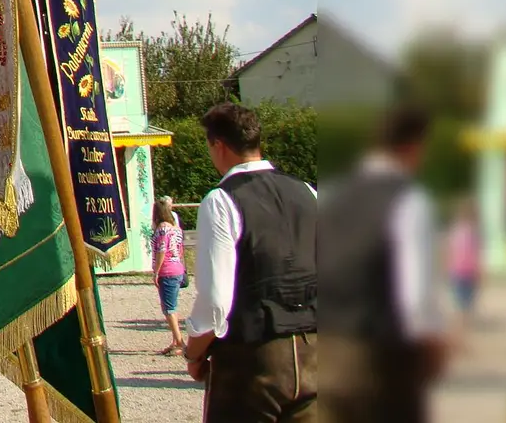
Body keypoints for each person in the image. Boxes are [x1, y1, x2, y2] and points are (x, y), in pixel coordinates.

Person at [182, 102, 318, 422]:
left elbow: (216, 300)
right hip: (315, 351)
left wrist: (194, 352)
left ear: (218, 145)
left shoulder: (222, 199)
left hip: (254, 356)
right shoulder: (308, 192)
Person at [319, 105, 449, 423]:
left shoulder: (332, 194)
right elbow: (414, 298)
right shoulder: (408, 199)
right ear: (414, 146)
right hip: (381, 359)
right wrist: (433, 349)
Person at [152, 198, 188, 355]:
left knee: (169, 308)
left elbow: (161, 250)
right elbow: (180, 250)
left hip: (167, 269)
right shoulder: (176, 229)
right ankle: (175, 340)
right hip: (178, 268)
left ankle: (180, 341)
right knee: (170, 305)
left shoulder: (161, 229)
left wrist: (156, 271)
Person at [446, 198, 480, 331]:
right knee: (462, 298)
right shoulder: (458, 231)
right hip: (460, 270)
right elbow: (450, 249)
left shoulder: (471, 232)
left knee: (465, 298)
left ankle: (463, 321)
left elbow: (476, 253)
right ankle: (462, 321)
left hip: (465, 270)